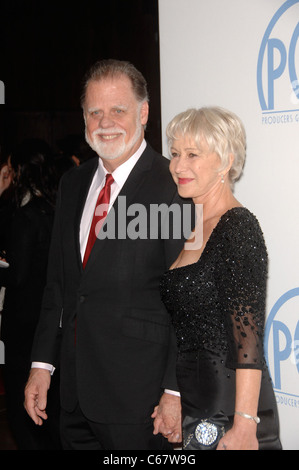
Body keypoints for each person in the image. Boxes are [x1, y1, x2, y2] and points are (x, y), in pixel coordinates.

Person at [24, 59, 194, 450]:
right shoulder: (73, 182)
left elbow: (187, 303)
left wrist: (175, 390)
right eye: (94, 112)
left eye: (118, 110)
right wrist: (41, 365)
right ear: (83, 117)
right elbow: (59, 286)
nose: (105, 122)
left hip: (142, 403)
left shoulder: (172, 187)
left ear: (144, 112)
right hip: (74, 398)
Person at [160, 107, 282, 450]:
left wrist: (245, 424)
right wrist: (174, 396)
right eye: (175, 154)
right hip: (196, 402)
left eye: (192, 154)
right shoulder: (197, 228)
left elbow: (248, 338)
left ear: (225, 161)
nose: (177, 166)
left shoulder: (238, 228)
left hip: (229, 410)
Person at [0, 139, 61, 449]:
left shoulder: (27, 216)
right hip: (50, 321)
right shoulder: (57, 208)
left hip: (23, 323)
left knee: (21, 403)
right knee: (49, 406)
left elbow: (17, 275)